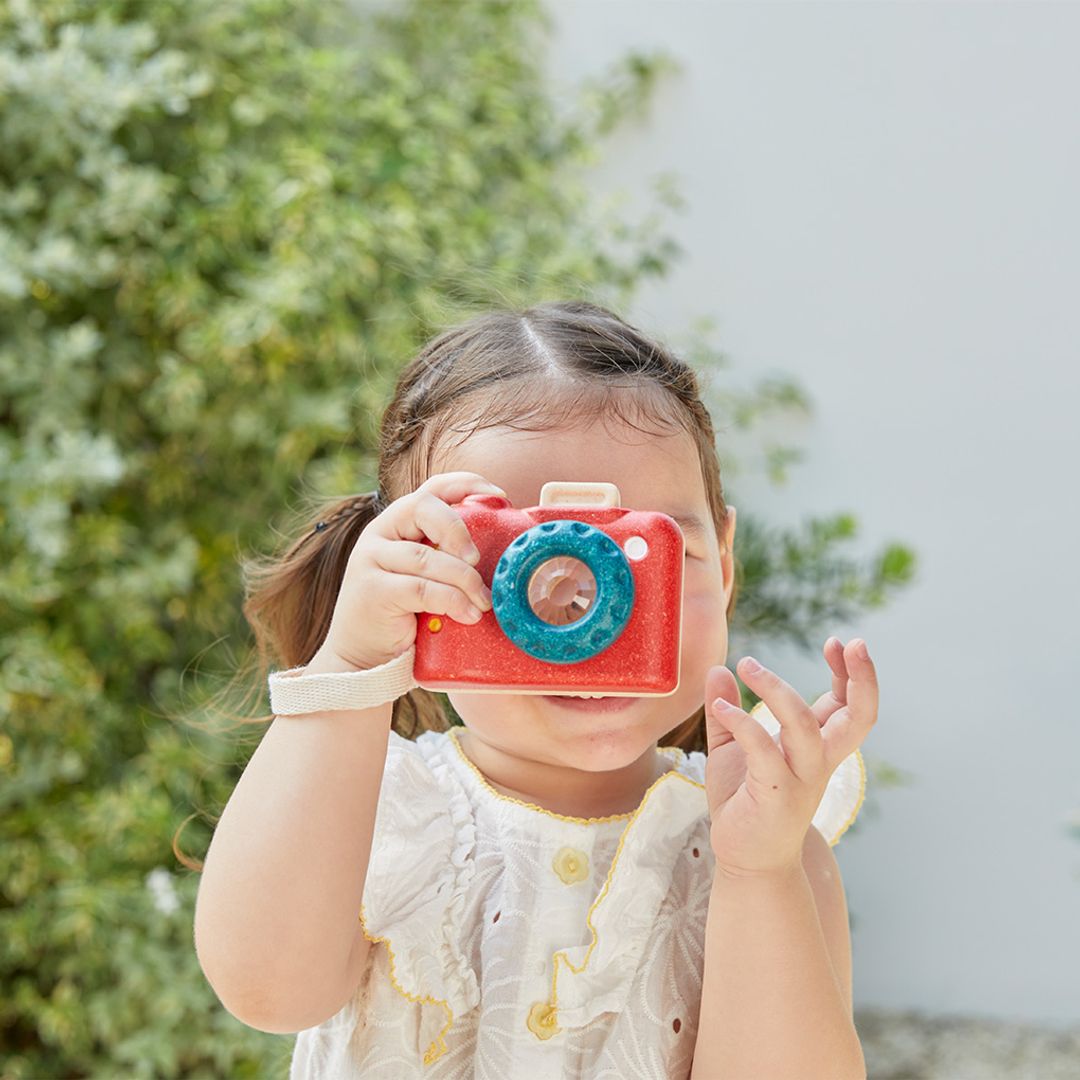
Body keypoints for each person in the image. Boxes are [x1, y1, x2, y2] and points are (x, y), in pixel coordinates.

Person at [192, 299, 876, 1079]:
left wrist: (760, 875)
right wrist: (349, 667)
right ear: (418, 576)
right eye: (516, 560)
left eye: (641, 555)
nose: (586, 615)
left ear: (721, 564)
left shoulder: (773, 846)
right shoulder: (371, 808)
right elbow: (268, 992)